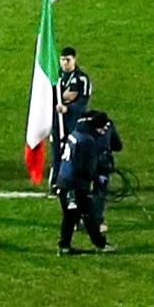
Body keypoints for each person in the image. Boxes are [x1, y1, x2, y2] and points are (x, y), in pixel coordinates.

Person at [55, 108, 123, 252]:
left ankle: (65, 246)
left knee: (72, 216)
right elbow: (84, 168)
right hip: (74, 184)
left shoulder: (77, 133)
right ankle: (100, 245)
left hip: (64, 180)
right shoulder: (88, 141)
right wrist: (97, 176)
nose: (105, 131)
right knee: (85, 215)